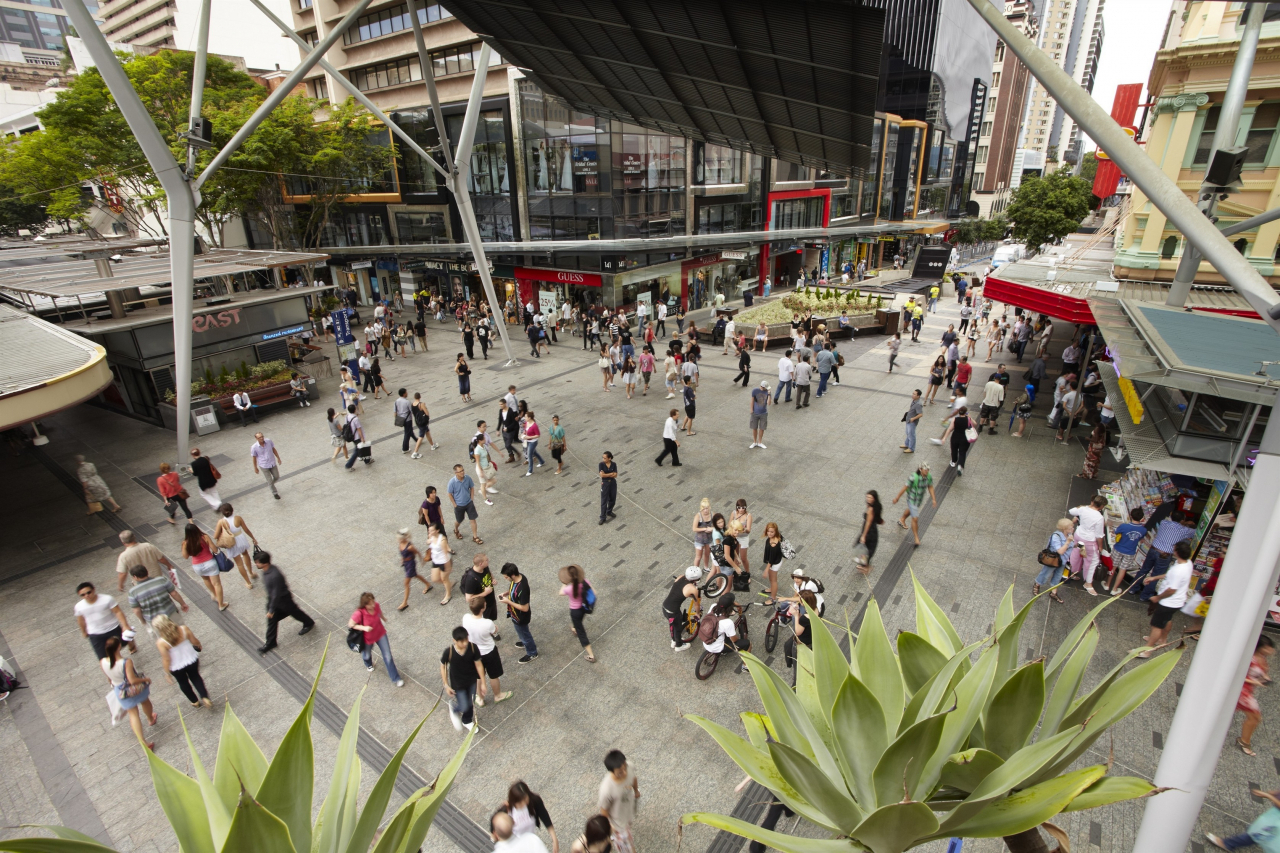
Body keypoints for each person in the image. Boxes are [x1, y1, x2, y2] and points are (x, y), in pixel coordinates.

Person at [1139, 539, 1195, 658]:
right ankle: (1162, 640)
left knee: (1156, 625)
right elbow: (1169, 575)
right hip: (1177, 602)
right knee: (1167, 619)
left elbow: (1171, 590)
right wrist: (1154, 578)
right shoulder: (1187, 563)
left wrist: (1157, 598)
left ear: (1177, 552)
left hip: (1168, 602)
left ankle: (1148, 649)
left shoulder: (1178, 571)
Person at [100, 635, 157, 751]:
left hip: (120, 691)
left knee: (133, 714)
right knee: (145, 701)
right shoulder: (126, 662)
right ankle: (150, 718)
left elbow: (108, 678)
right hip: (134, 689)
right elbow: (132, 680)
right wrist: (145, 679)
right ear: (119, 647)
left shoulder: (102, 662)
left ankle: (143, 743)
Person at [255, 551, 315, 655]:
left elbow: (276, 594)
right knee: (272, 622)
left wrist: (271, 610)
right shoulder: (267, 571)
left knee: (295, 612)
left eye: (258, 562)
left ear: (264, 563)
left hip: (283, 600)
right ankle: (270, 643)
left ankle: (309, 622)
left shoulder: (274, 575)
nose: (256, 564)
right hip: (274, 602)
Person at [1133, 509, 1196, 599]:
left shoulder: (1164, 523)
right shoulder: (1185, 530)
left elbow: (1176, 525)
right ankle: (1145, 595)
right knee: (1156, 575)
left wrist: (1184, 523)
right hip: (1164, 555)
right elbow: (1196, 532)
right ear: (1182, 520)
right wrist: (1188, 524)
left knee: (1144, 570)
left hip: (1153, 549)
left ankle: (1132, 588)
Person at [153, 614, 212, 708]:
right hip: (191, 658)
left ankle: (195, 701)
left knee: (183, 682)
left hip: (176, 666)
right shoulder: (184, 629)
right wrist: (198, 645)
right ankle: (204, 696)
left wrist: (167, 673)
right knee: (196, 677)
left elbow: (166, 659)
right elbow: (194, 641)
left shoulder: (161, 642)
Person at [348, 592, 404, 686]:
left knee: (388, 656)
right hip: (367, 639)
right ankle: (368, 663)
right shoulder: (359, 613)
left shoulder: (376, 605)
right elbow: (351, 624)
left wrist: (383, 618)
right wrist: (364, 628)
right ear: (365, 605)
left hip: (380, 633)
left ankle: (396, 678)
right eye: (370, 604)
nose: (373, 605)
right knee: (366, 655)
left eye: (373, 602)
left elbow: (379, 613)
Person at [1234, 635, 1276, 757]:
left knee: (1254, 717)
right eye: (1268, 648)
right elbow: (1240, 676)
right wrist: (1256, 682)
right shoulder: (1250, 659)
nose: (1271, 651)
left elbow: (1260, 673)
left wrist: (1264, 678)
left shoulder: (1261, 658)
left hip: (1248, 691)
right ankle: (1244, 741)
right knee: (1255, 717)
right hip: (1242, 692)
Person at [1206, 786, 1280, 850]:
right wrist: (1275, 793)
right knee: (1258, 831)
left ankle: (1227, 844)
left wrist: (1269, 796)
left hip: (1276, 817)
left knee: (1257, 833)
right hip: (1275, 815)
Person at [441, 626, 485, 732]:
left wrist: (483, 682)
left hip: (471, 680)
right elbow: (443, 666)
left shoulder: (473, 648)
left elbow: (479, 665)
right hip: (458, 684)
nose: (465, 643)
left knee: (470, 702)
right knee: (464, 705)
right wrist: (446, 684)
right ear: (455, 641)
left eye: (466, 639)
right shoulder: (449, 652)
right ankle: (455, 708)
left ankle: (466, 720)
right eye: (462, 641)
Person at [75, 581, 133, 661]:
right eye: (83, 595)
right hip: (95, 633)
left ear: (94, 590)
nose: (87, 595)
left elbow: (118, 612)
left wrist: (125, 625)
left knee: (124, 642)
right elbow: (81, 620)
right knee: (103, 658)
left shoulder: (107, 599)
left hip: (112, 628)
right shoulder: (79, 607)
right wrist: (83, 632)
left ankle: (131, 644)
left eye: (89, 592)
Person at [598, 750, 640, 853]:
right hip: (618, 824)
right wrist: (611, 827)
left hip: (627, 812)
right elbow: (603, 811)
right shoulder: (606, 789)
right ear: (611, 771)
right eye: (620, 772)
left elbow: (633, 778)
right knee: (628, 849)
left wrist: (636, 791)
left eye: (625, 768)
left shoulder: (629, 766)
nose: (625, 772)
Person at [181, 523, 228, 611]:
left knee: (206, 579)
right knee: (217, 584)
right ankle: (221, 605)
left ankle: (214, 595)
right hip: (210, 563)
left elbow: (185, 556)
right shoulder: (204, 537)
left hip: (197, 566)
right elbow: (214, 549)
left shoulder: (185, 543)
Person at [1068, 494, 1108, 596]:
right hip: (1089, 541)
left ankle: (1072, 572)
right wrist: (1100, 546)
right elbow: (1099, 535)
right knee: (1092, 561)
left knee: (1077, 555)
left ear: (1092, 502)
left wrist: (1084, 507)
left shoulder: (1083, 509)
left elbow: (1071, 511)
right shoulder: (1099, 517)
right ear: (1101, 506)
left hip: (1078, 536)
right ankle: (1088, 583)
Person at [498, 562, 538, 663]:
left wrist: (508, 601)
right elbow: (513, 588)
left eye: (506, 577)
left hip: (520, 617)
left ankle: (532, 653)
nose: (505, 579)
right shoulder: (519, 578)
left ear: (512, 575)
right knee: (522, 632)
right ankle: (525, 642)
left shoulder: (522, 588)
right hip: (515, 614)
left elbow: (525, 608)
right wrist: (506, 593)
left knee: (525, 634)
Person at [501, 781, 557, 853]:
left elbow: (545, 818)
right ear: (513, 801)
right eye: (520, 802)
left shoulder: (534, 801)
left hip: (530, 844)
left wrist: (554, 839)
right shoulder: (506, 810)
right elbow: (496, 828)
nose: (524, 803)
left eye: (525, 799)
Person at [213, 502, 259, 589]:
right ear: (232, 510)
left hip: (231, 542)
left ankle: (248, 583)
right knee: (245, 554)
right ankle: (251, 573)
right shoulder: (238, 518)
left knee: (239, 564)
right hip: (241, 539)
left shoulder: (221, 522)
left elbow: (215, 536)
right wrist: (253, 538)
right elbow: (246, 529)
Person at [893, 463, 937, 547]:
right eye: (925, 470)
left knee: (911, 510)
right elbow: (905, 487)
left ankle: (902, 519)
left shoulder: (928, 477)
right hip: (912, 499)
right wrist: (897, 497)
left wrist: (933, 499)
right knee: (915, 518)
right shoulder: (913, 477)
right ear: (920, 469)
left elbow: (930, 487)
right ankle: (916, 538)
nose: (927, 471)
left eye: (928, 470)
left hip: (918, 500)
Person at [1107, 507, 1149, 595]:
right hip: (1130, 552)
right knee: (1123, 570)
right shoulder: (1143, 530)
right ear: (1142, 518)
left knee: (1113, 566)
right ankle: (1114, 589)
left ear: (1130, 515)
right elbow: (1140, 538)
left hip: (1118, 548)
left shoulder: (1124, 526)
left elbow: (1116, 532)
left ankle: (1107, 584)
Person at [559, 564, 596, 663]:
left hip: (575, 611)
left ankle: (591, 655)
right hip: (584, 607)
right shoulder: (585, 582)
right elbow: (594, 593)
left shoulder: (568, 589)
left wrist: (565, 583)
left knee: (581, 633)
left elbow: (560, 593)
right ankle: (575, 628)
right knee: (578, 621)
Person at [703, 593, 750, 668]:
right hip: (717, 647)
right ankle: (746, 667)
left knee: (723, 632)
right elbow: (734, 640)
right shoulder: (728, 623)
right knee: (748, 643)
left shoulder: (713, 607)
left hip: (706, 640)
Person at [662, 566, 702, 651]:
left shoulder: (680, 577)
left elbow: (679, 590)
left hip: (665, 606)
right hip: (673, 612)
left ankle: (674, 641)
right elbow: (697, 605)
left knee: (672, 625)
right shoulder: (693, 589)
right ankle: (679, 646)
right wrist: (697, 613)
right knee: (677, 628)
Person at [1034, 519, 1074, 601]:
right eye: (1070, 528)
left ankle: (1053, 593)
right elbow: (1060, 551)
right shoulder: (1056, 536)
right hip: (1053, 560)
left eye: (1072, 527)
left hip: (1063, 561)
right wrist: (1068, 542)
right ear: (1064, 529)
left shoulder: (1069, 535)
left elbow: (1070, 547)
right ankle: (1037, 584)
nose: (1072, 529)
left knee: (1058, 576)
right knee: (1046, 573)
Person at [395, 528, 432, 610]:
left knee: (406, 583)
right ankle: (427, 584)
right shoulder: (401, 544)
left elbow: (417, 552)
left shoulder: (409, 547)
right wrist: (403, 560)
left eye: (399, 539)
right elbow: (402, 554)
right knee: (415, 575)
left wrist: (421, 560)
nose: (398, 540)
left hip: (410, 564)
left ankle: (405, 602)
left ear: (402, 538)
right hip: (406, 564)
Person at [448, 464, 483, 544]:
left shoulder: (468, 478)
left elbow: (472, 487)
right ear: (455, 473)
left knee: (473, 519)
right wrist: (454, 504)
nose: (462, 472)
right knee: (459, 520)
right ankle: (456, 530)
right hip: (459, 505)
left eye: (463, 470)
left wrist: (471, 498)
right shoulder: (452, 482)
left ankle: (475, 537)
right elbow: (449, 494)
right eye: (460, 471)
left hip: (469, 503)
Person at [939, 405, 976, 475]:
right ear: (965, 412)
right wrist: (970, 417)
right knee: (962, 452)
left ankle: (953, 461)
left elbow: (950, 429)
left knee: (954, 449)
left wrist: (944, 438)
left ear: (959, 412)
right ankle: (960, 466)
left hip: (955, 437)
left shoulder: (955, 419)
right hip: (965, 438)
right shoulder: (968, 419)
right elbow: (975, 424)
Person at [855, 490, 884, 574]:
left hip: (869, 532)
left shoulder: (871, 509)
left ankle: (866, 566)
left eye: (870, 497)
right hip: (872, 530)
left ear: (874, 498)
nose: (868, 499)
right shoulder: (875, 506)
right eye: (867, 497)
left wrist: (863, 535)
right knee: (864, 547)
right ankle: (864, 564)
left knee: (864, 548)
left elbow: (868, 523)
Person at [249, 432, 283, 500]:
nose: (261, 438)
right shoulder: (254, 447)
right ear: (256, 438)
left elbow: (273, 449)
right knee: (269, 480)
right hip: (263, 465)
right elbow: (254, 458)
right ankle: (275, 493)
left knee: (276, 476)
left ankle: (270, 485)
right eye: (259, 437)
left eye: (262, 436)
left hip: (272, 463)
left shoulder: (268, 441)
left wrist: (278, 458)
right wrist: (255, 467)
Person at [760, 522, 785, 605]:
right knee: (772, 579)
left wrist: (766, 570)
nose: (769, 533)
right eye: (768, 531)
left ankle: (772, 599)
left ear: (776, 532)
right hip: (775, 561)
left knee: (773, 580)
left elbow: (771, 561)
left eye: (772, 532)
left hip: (774, 563)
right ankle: (771, 588)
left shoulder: (774, 544)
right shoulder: (778, 536)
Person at [692, 498, 715, 570]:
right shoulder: (698, 516)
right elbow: (694, 529)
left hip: (709, 539)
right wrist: (705, 529)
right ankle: (695, 572)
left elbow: (716, 525)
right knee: (698, 557)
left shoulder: (713, 514)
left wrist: (712, 529)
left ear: (709, 508)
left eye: (707, 508)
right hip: (700, 540)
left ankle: (706, 567)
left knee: (707, 554)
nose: (705, 510)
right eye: (703, 509)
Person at [747, 380, 771, 449]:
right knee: (754, 428)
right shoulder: (755, 391)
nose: (767, 389)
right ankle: (755, 442)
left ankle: (760, 442)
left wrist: (769, 394)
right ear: (762, 386)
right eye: (765, 387)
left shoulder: (767, 392)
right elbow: (752, 401)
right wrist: (751, 410)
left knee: (762, 428)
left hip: (764, 413)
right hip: (755, 412)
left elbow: (769, 403)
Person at [343, 404, 368, 470]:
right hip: (357, 437)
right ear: (354, 410)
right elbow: (359, 429)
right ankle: (348, 465)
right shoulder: (355, 419)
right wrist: (362, 438)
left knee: (361, 448)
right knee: (358, 450)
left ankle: (367, 460)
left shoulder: (347, 417)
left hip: (351, 436)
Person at [521, 411, 546, 476]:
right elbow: (525, 429)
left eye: (526, 417)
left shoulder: (534, 426)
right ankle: (541, 461)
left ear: (529, 418)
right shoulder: (527, 422)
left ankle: (530, 470)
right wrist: (524, 433)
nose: (525, 418)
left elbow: (538, 435)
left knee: (529, 455)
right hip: (528, 441)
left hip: (533, 442)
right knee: (534, 452)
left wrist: (529, 437)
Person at [597, 450, 618, 525]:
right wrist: (611, 474)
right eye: (603, 458)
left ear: (609, 458)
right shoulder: (601, 464)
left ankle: (609, 511)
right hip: (605, 483)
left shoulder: (614, 464)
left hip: (613, 483)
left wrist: (607, 474)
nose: (603, 459)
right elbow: (602, 475)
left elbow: (615, 475)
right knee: (604, 500)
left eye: (605, 458)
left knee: (613, 499)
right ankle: (602, 517)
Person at [902, 389, 924, 454]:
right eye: (913, 393)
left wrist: (913, 418)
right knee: (908, 433)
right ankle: (907, 444)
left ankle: (911, 448)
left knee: (911, 435)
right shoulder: (914, 401)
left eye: (914, 394)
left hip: (912, 421)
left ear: (918, 396)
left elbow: (920, 414)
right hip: (908, 419)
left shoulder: (918, 404)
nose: (913, 395)